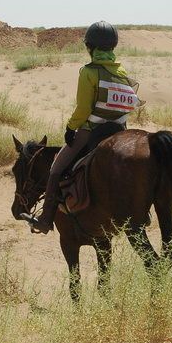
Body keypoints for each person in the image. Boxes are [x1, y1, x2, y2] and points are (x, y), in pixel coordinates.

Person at [31, 20, 140, 234]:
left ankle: (45, 219)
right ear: (113, 46)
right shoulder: (123, 72)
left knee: (56, 168)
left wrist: (71, 128)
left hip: (92, 131)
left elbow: (83, 109)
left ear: (90, 47)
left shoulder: (89, 72)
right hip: (120, 130)